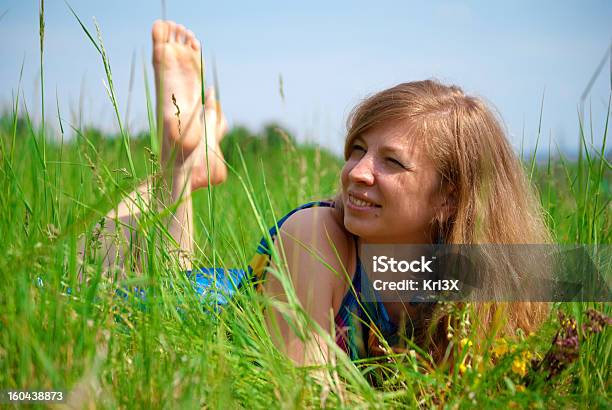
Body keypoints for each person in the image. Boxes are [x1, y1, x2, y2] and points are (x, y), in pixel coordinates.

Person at [88, 20, 550, 367]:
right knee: (121, 292)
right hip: (210, 312)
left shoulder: (477, 280)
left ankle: (191, 164)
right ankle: (178, 159)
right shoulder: (317, 234)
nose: (356, 173)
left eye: (391, 161)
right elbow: (304, 391)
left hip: (246, 281)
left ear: (449, 196)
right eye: (357, 150)